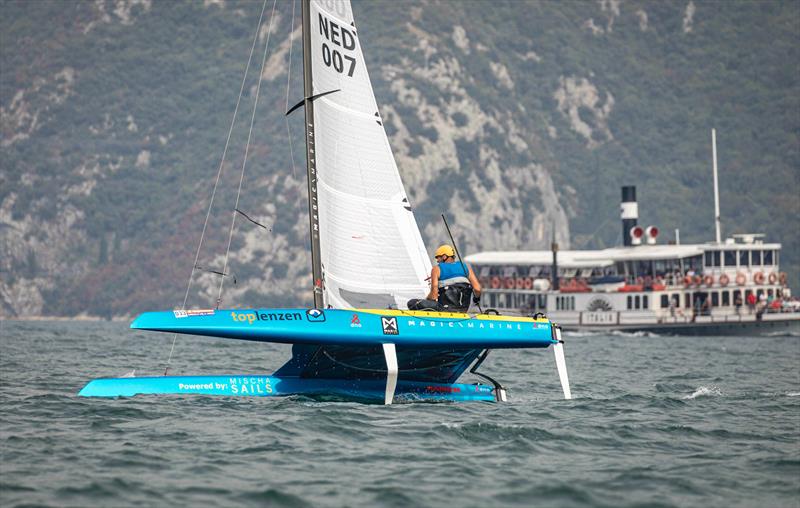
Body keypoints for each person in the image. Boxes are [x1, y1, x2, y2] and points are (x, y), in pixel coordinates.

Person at [408, 245, 482, 312]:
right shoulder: (466, 267)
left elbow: (434, 296)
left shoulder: (436, 269)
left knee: (412, 303)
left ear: (444, 257)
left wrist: (426, 299)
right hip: (463, 310)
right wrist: (476, 299)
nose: (437, 260)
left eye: (438, 257)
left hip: (444, 310)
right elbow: (478, 289)